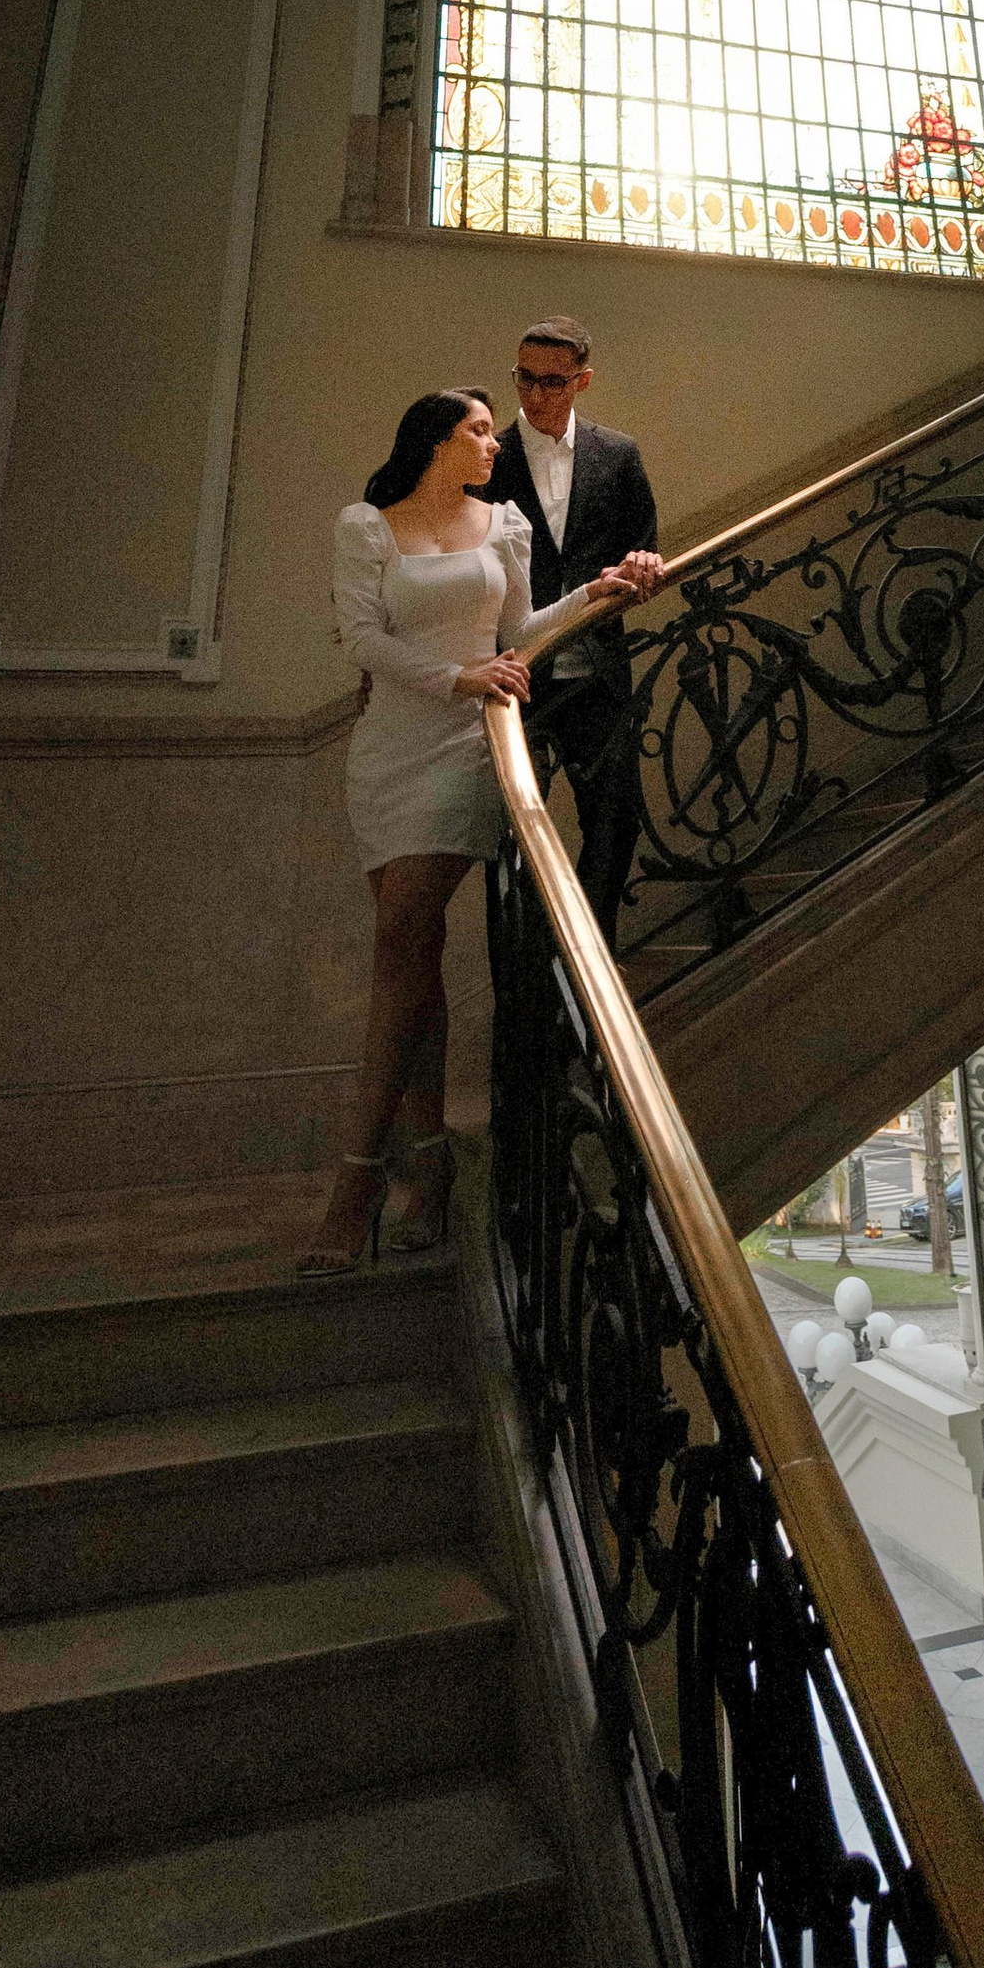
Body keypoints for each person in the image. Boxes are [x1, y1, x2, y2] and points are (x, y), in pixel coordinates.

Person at [304, 383, 662, 1275]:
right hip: (388, 749)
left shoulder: (502, 525)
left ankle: (355, 1184)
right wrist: (461, 675)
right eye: (475, 430)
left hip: (469, 753)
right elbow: (361, 638)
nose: (492, 442)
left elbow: (521, 632)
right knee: (412, 957)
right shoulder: (365, 525)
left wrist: (596, 593)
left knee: (400, 940)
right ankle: (425, 1170)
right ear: (433, 440)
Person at [484, 319, 661, 933]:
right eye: (524, 379)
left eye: (552, 382)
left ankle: (586, 949)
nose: (534, 395)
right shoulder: (490, 457)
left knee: (617, 817)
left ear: (582, 381)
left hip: (596, 672)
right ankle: (529, 983)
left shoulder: (618, 454)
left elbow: (643, 546)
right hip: (515, 674)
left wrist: (643, 561)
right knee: (511, 833)